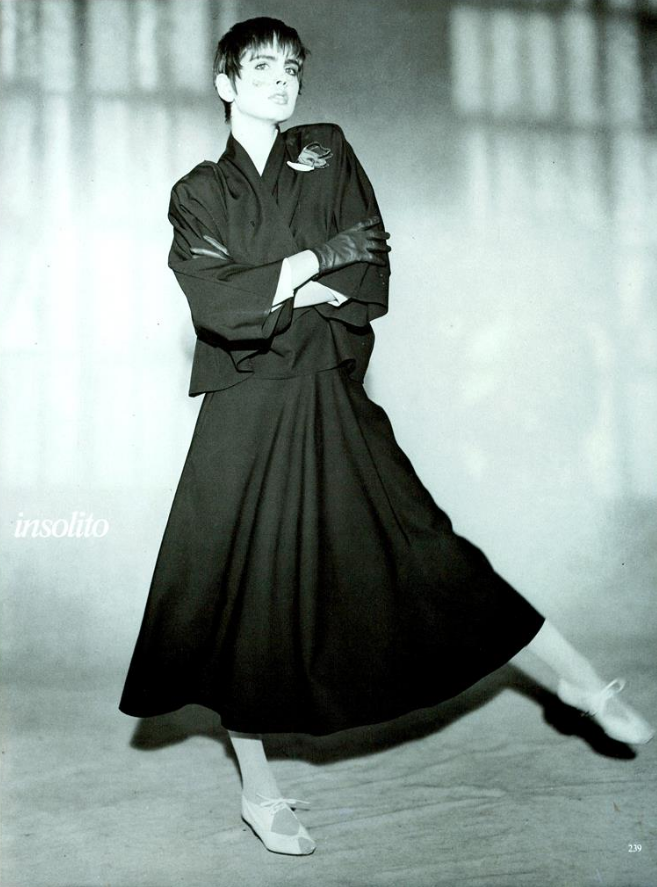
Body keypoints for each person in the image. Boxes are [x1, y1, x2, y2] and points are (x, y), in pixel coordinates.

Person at [119, 17, 654, 857]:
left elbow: (367, 266)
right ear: (225, 85)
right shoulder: (198, 191)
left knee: (429, 547)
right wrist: (312, 263)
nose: (281, 81)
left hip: (330, 393)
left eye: (291, 68)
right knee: (243, 595)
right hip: (244, 412)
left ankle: (582, 686)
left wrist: (297, 279)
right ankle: (259, 792)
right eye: (261, 69)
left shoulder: (326, 148)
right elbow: (217, 303)